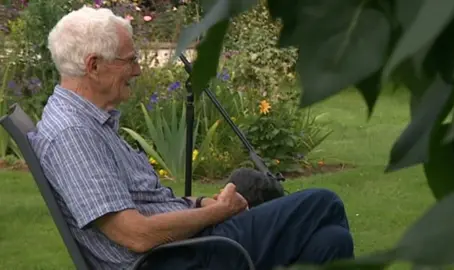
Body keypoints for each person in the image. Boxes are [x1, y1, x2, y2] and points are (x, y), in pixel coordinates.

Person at [27, 6, 354, 270]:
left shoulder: (87, 123)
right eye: (130, 60)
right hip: (177, 259)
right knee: (323, 202)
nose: (139, 70)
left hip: (185, 247)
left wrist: (200, 203)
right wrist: (217, 213)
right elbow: (135, 235)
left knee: (332, 241)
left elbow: (144, 205)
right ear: (94, 66)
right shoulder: (73, 135)